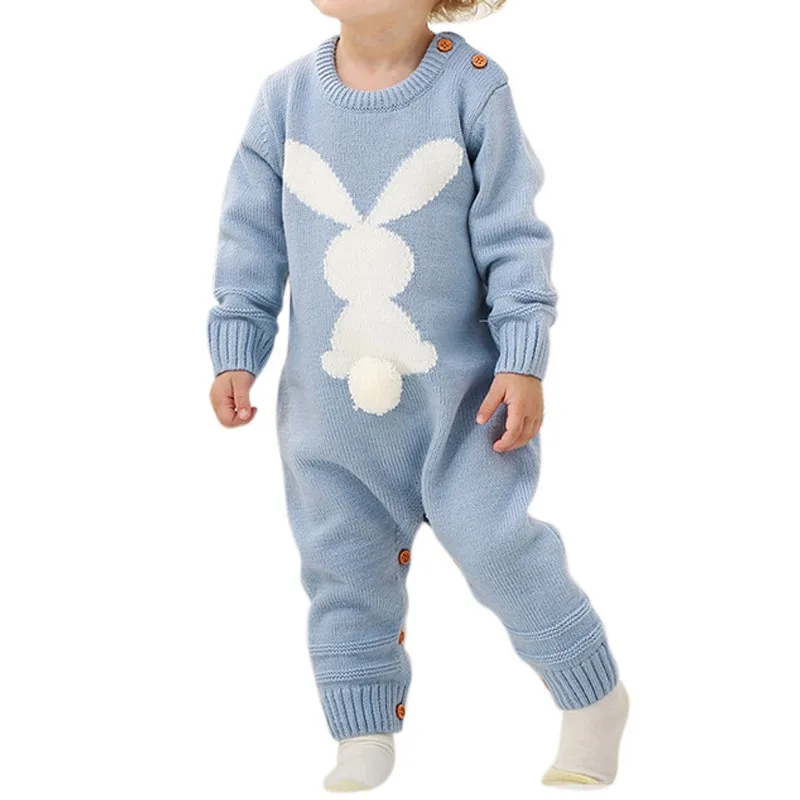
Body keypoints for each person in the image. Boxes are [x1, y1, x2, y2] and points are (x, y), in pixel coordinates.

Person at [208, 0, 628, 791]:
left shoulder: (473, 89)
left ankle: (592, 697)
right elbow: (250, 237)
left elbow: (513, 235)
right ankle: (361, 732)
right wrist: (239, 345)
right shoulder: (285, 99)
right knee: (342, 569)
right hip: (329, 412)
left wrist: (524, 357)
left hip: (464, 403)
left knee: (500, 548)